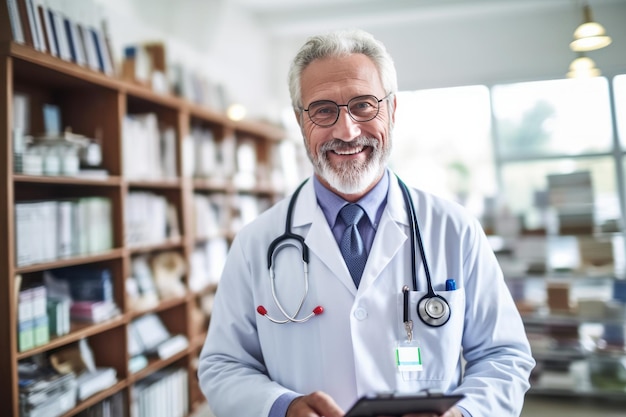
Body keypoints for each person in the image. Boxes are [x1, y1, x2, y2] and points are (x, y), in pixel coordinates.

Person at [197, 29, 535, 417]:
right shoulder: (255, 243)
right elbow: (222, 366)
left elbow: (503, 355)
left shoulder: (454, 229)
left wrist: (464, 414)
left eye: (363, 105)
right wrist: (282, 408)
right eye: (323, 110)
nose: (346, 131)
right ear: (299, 121)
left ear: (392, 110)